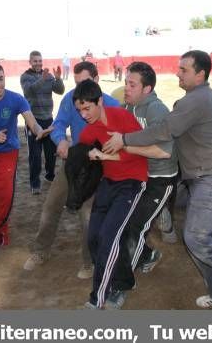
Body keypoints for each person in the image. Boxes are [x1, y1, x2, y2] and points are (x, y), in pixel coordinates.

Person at [105, 50, 212, 310]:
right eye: (178, 68)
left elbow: (165, 130)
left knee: (198, 237)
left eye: (184, 70)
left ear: (200, 74)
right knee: (195, 240)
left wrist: (124, 140)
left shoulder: (197, 99)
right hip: (202, 177)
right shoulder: (196, 98)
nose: (178, 73)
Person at [23, 62, 120, 278]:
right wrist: (60, 142)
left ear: (96, 80)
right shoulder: (70, 98)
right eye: (75, 84)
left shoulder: (113, 105)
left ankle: (89, 262)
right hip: (74, 159)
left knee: (87, 214)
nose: (78, 90)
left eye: (83, 83)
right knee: (51, 205)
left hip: (100, 164)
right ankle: (40, 251)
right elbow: (59, 124)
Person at [106, 62, 178, 308]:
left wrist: (124, 145)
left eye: (132, 84)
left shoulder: (157, 111)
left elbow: (163, 152)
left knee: (134, 228)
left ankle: (122, 285)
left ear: (147, 88)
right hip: (137, 176)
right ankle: (149, 253)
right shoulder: (127, 106)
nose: (126, 87)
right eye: (126, 82)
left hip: (160, 179)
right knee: (123, 223)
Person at [73, 80, 149, 309]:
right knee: (94, 238)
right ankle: (124, 280)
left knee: (110, 238)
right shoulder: (88, 131)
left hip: (133, 183)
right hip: (109, 183)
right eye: (79, 110)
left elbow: (142, 153)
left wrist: (106, 156)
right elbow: (83, 154)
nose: (84, 114)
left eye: (87, 108)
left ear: (100, 102)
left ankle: (97, 300)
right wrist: (68, 148)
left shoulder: (123, 117)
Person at [0, 62, 51, 249]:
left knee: (2, 197)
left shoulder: (16, 99)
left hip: (7, 154)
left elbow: (32, 122)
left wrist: (40, 131)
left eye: (1, 79)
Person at [20, 50, 65, 194]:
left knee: (51, 153)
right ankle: (35, 184)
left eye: (40, 61)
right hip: (33, 120)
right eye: (35, 61)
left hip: (48, 119)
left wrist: (58, 79)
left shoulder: (49, 75)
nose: (38, 63)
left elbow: (60, 91)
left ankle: (50, 176)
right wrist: (43, 79)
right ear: (30, 62)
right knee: (35, 155)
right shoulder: (25, 77)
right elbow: (29, 92)